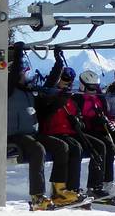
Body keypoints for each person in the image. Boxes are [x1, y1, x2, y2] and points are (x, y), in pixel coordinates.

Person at [7, 44, 77, 209]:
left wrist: (58, 63)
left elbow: (50, 85)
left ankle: (59, 190)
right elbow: (14, 74)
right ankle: (37, 196)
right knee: (38, 149)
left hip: (31, 133)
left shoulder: (29, 91)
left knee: (61, 146)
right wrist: (18, 53)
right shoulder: (8, 90)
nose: (26, 76)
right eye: (24, 73)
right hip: (14, 135)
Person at [35, 49, 105, 200]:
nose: (67, 82)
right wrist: (59, 63)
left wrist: (78, 121)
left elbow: (79, 117)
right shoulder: (48, 93)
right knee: (73, 148)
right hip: (54, 132)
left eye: (70, 80)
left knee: (98, 146)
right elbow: (45, 112)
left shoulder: (71, 97)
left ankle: (93, 186)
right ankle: (66, 189)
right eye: (64, 79)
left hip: (70, 132)